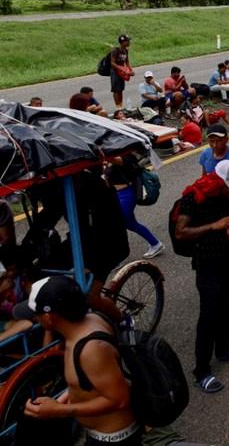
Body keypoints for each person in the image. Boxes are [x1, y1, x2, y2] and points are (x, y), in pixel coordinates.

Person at [14, 276, 137, 445]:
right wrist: (64, 398)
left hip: (113, 438)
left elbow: (119, 399)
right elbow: (89, 380)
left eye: (36, 315)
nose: (36, 319)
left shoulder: (91, 350)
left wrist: (60, 410)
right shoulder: (90, 320)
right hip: (101, 433)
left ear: (49, 317)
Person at [173, 159, 229, 394]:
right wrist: (213, 226)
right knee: (209, 314)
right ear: (218, 180)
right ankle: (202, 370)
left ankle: (224, 348)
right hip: (207, 262)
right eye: (228, 185)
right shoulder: (193, 197)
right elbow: (181, 232)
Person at [105, 158, 164, 259]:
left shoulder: (123, 156)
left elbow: (119, 161)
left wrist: (104, 157)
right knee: (130, 223)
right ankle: (155, 244)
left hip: (126, 194)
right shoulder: (108, 160)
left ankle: (114, 256)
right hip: (116, 194)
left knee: (118, 223)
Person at [109, 34, 133, 109]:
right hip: (115, 72)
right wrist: (122, 69)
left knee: (120, 89)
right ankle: (117, 107)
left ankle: (121, 106)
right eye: (127, 41)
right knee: (116, 90)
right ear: (123, 42)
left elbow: (127, 62)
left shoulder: (125, 51)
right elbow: (112, 63)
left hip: (122, 73)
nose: (129, 42)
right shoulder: (115, 50)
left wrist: (131, 70)